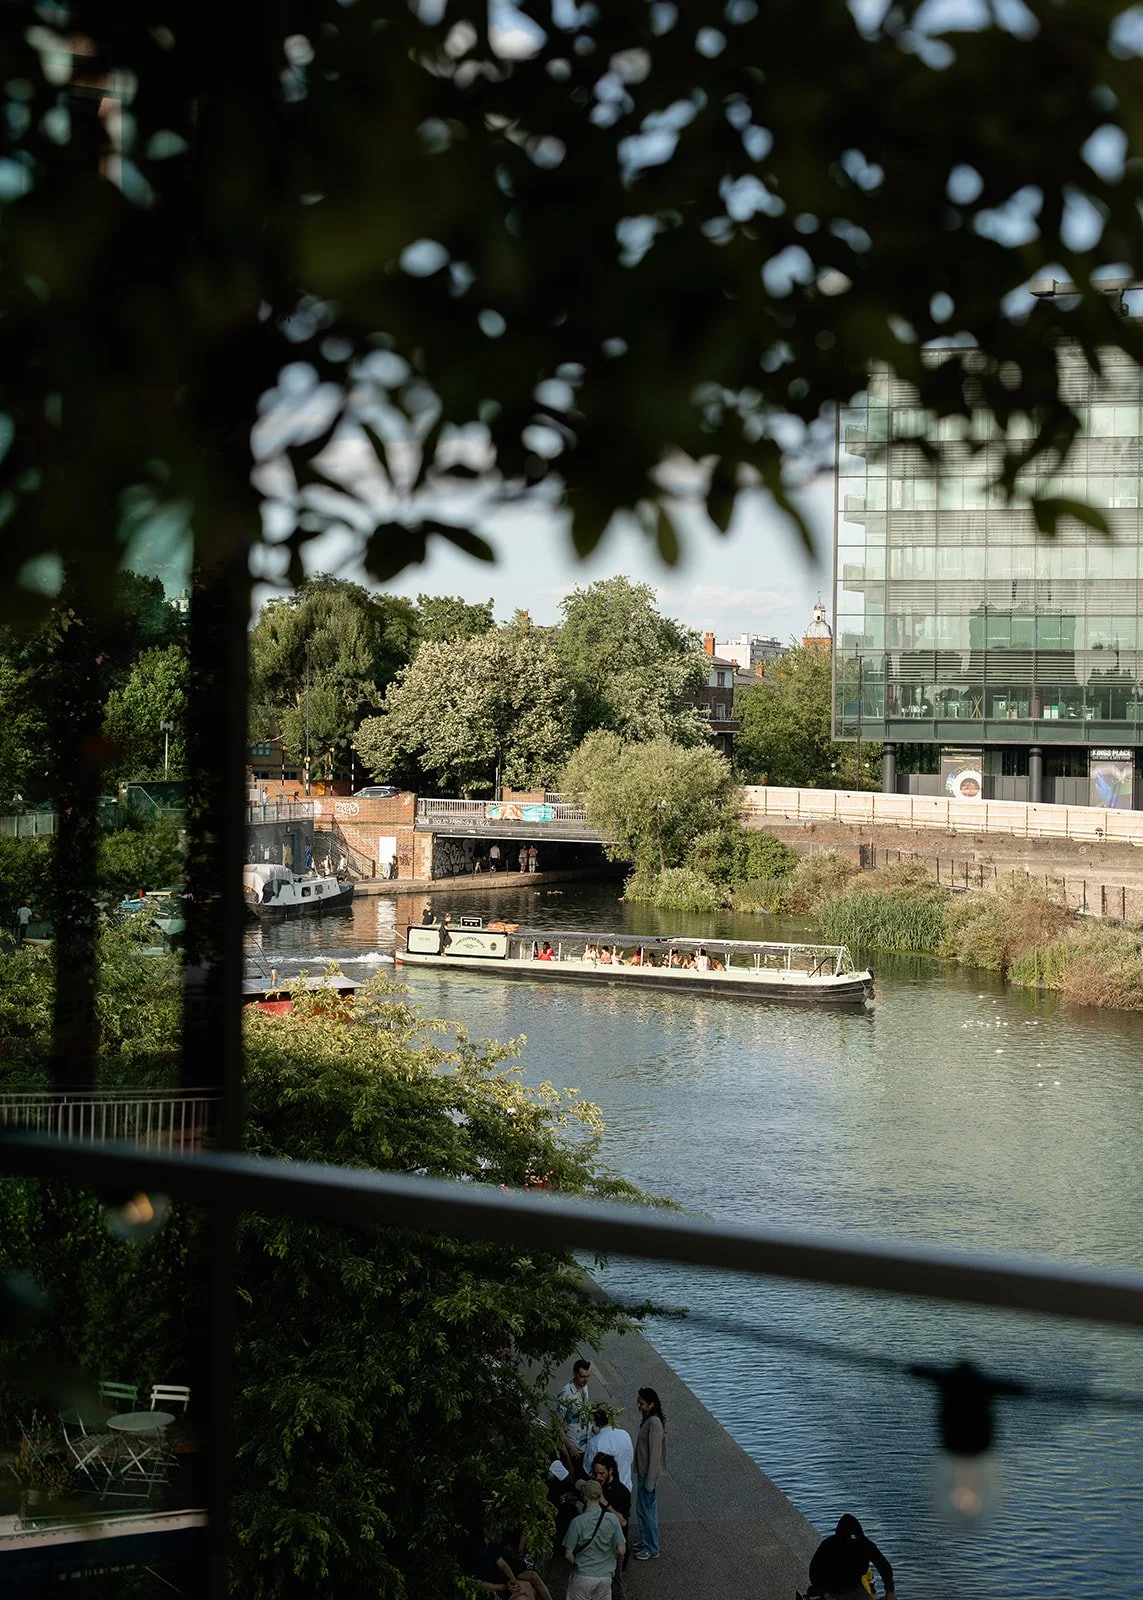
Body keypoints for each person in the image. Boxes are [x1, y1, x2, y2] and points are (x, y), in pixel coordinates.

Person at [807, 1514, 896, 1600]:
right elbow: (814, 1571)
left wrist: (890, 1592)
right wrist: (825, 1593)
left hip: (855, 1589)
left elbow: (884, 1567)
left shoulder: (865, 1545)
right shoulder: (829, 1545)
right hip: (831, 1591)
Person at [564, 1479, 626, 1600]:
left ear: (584, 1497)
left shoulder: (577, 1522)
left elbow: (568, 1554)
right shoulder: (612, 1519)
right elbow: (621, 1550)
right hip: (605, 1578)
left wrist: (579, 1564)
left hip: (583, 1577)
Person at [633, 1388, 666, 1562]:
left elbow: (655, 1455)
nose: (638, 1406)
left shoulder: (654, 1423)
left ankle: (652, 1548)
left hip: (648, 1476)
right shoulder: (650, 1420)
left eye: (642, 1403)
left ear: (651, 1404)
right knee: (643, 1510)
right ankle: (646, 1541)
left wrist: (649, 1481)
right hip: (644, 1474)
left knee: (647, 1511)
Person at [590, 1453, 631, 1582]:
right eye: (596, 1473)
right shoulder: (595, 1484)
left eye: (601, 1473)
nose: (598, 1477)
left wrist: (605, 1503)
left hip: (614, 1549)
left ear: (610, 1470)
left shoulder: (621, 1492)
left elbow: (623, 1521)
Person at [555, 1359, 592, 1471]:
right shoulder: (566, 1394)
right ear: (575, 1374)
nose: (585, 1380)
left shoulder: (584, 1387)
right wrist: (569, 1447)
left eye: (588, 1376)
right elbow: (557, 1423)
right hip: (573, 1447)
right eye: (582, 1377)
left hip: (585, 1444)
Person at [583, 1410, 634, 1489]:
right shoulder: (624, 1435)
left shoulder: (594, 1443)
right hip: (626, 1487)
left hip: (605, 1491)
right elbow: (630, 1458)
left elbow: (588, 1469)